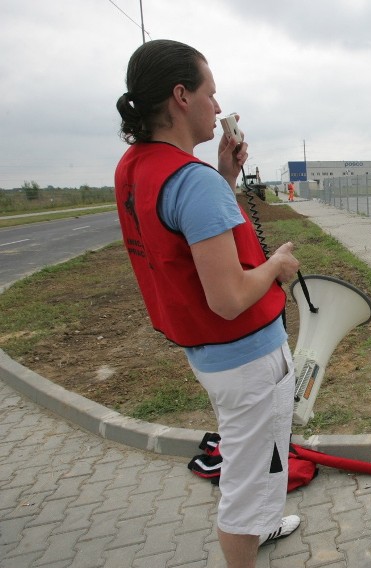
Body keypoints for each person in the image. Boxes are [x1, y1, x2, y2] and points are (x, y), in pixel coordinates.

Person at [114, 39, 301, 567]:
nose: (218, 109)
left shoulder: (137, 167)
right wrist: (277, 265)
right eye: (211, 94)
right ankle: (247, 539)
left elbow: (182, 241)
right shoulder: (192, 183)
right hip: (247, 360)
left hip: (210, 356)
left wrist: (223, 177)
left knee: (256, 463)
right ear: (181, 97)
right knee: (246, 484)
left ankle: (258, 528)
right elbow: (230, 297)